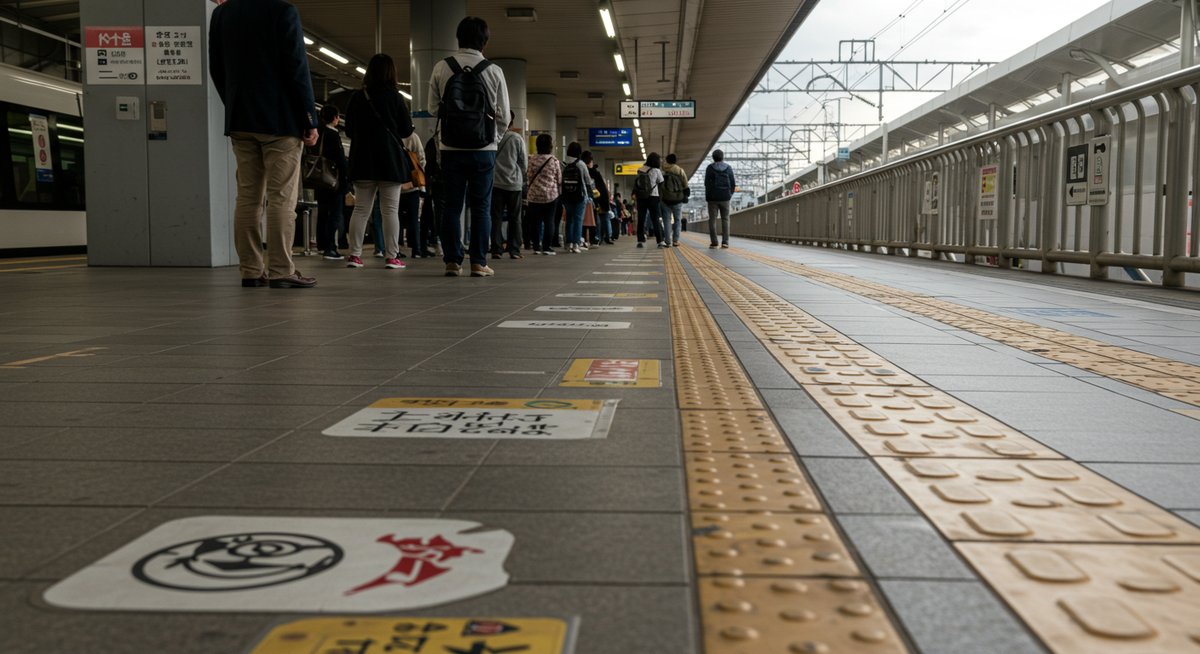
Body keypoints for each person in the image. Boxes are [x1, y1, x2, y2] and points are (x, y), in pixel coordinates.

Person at [210, 0, 319, 288]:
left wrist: (234, 104)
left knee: (247, 198)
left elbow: (216, 67)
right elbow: (296, 66)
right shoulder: (282, 10)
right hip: (279, 120)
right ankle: (282, 270)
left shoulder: (222, 13)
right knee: (282, 197)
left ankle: (250, 269)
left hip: (240, 119)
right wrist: (309, 117)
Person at [429, 16, 510, 277]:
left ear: (458, 38)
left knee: (452, 206)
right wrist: (493, 140)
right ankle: (478, 262)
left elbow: (433, 108)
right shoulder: (494, 70)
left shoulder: (441, 67)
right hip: (483, 150)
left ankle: (453, 261)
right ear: (484, 41)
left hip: (450, 148)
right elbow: (504, 116)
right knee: (481, 207)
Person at [343, 53, 416, 270]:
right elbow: (405, 130)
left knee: (361, 209)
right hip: (389, 161)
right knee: (390, 210)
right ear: (391, 73)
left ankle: (355, 256)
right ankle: (392, 257)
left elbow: (348, 130)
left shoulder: (357, 97)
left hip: (363, 160)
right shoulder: (395, 97)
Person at [490, 111, 527, 260]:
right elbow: (523, 163)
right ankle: (514, 250)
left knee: (496, 217)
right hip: (513, 184)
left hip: (495, 182)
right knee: (515, 217)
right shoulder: (517, 138)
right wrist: (520, 175)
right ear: (512, 121)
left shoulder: (493, 137)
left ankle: (496, 249)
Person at [314, 105, 348, 260]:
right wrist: (346, 178)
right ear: (335, 117)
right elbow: (340, 160)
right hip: (333, 181)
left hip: (319, 180)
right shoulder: (333, 135)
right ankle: (330, 248)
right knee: (334, 215)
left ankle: (321, 245)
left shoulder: (317, 133)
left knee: (322, 213)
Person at [525, 133, 562, 255]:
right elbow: (559, 179)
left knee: (535, 222)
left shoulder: (531, 159)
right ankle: (546, 247)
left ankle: (536, 246)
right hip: (550, 196)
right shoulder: (554, 161)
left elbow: (529, 176)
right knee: (549, 221)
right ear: (550, 146)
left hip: (534, 195)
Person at [560, 142, 594, 253]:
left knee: (569, 219)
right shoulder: (581, 164)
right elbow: (588, 180)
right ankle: (576, 244)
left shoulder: (563, 163)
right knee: (578, 220)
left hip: (567, 195)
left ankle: (568, 244)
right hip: (580, 195)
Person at [400, 128, 426, 258]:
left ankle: (395, 250)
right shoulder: (413, 137)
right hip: (412, 185)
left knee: (394, 218)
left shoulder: (389, 135)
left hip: (394, 186)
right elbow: (421, 160)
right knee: (414, 219)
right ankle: (416, 249)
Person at [704, 149, 737, 249]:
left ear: (713, 158)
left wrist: (709, 196)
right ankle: (725, 242)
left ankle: (714, 242)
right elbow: (733, 184)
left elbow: (706, 184)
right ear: (722, 157)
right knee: (725, 219)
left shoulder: (710, 168)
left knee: (712, 220)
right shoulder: (728, 168)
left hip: (712, 198)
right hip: (725, 197)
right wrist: (729, 194)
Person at [634, 152, 666, 248]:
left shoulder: (641, 169)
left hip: (641, 197)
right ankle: (660, 241)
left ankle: (640, 240)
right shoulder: (657, 170)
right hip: (653, 197)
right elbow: (661, 183)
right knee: (655, 219)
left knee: (641, 219)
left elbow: (638, 182)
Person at [582, 151, 612, 245]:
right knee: (597, 219)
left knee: (585, 219)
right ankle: (597, 238)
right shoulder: (595, 172)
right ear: (590, 161)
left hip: (584, 197)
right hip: (596, 199)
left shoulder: (581, 170)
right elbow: (602, 188)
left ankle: (587, 238)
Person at [661, 153, 689, 248]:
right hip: (677, 198)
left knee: (666, 220)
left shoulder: (662, 170)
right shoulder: (680, 170)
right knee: (677, 220)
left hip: (664, 199)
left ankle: (667, 241)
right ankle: (675, 240)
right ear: (675, 161)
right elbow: (685, 185)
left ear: (667, 160)